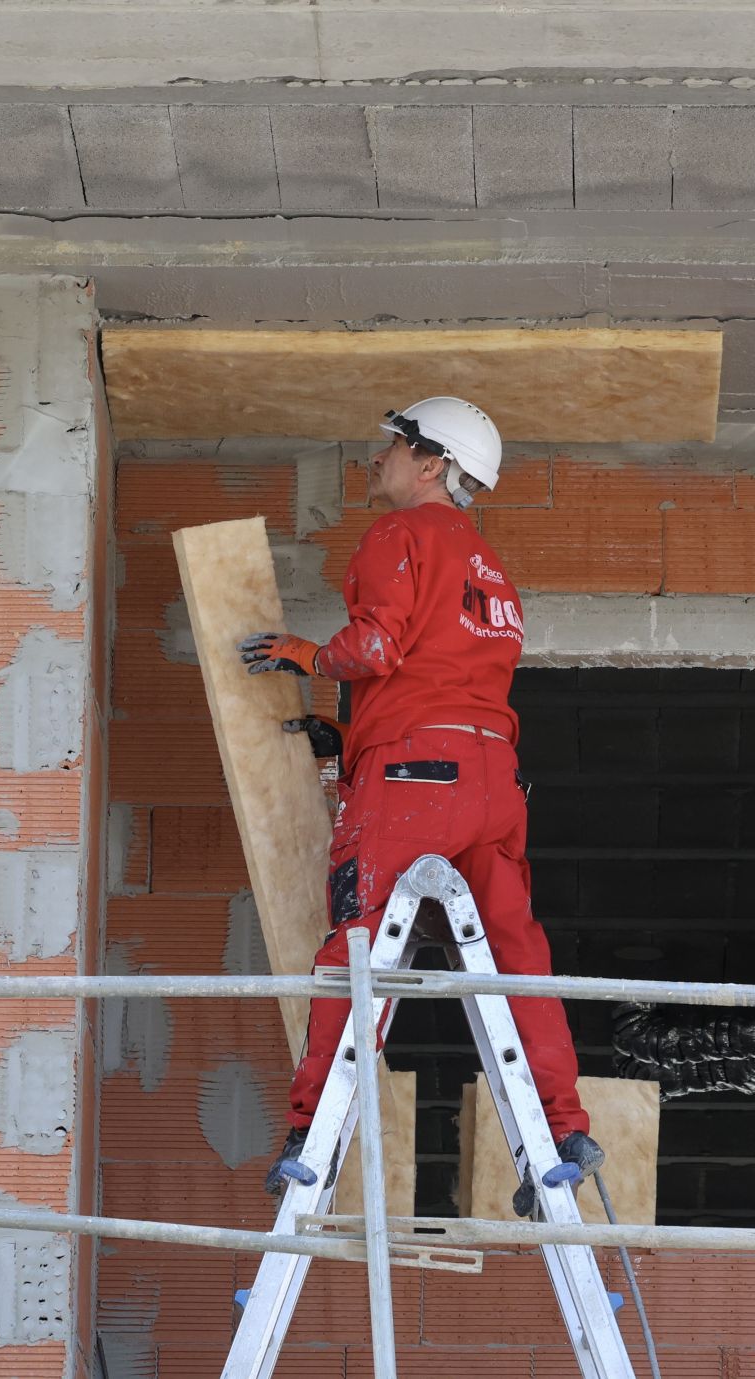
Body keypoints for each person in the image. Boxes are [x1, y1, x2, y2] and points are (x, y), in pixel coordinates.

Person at [239, 396, 603, 1213]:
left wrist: (305, 652)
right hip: (491, 780)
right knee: (515, 956)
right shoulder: (491, 568)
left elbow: (376, 646)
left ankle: (311, 1138)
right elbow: (438, 672)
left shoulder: (399, 535)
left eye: (395, 448)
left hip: (415, 782)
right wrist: (353, 730)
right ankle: (562, 1128)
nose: (380, 461)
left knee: (358, 948)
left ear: (432, 463)